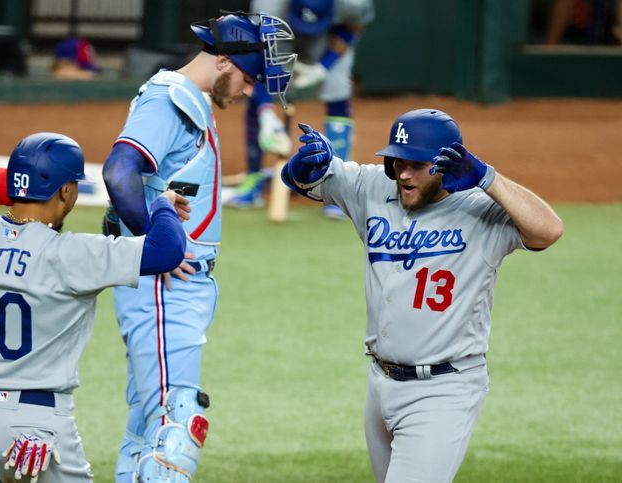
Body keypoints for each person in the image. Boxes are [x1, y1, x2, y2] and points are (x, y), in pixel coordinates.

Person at [0, 132, 189, 483]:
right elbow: (167, 249)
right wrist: (162, 203)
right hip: (38, 428)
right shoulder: (72, 254)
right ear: (66, 192)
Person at [281, 109, 563, 482]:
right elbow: (304, 179)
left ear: (446, 164)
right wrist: (304, 165)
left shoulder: (482, 212)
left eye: (416, 164)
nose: (402, 173)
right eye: (397, 161)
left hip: (443, 390)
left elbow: (549, 230)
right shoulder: (373, 189)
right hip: (379, 384)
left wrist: (487, 178)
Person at [101, 11, 296, 483]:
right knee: (176, 425)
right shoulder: (171, 101)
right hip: (163, 289)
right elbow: (118, 172)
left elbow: (137, 183)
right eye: (250, 79)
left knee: (149, 428)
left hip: (173, 290)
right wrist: (154, 241)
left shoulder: (189, 99)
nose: (251, 91)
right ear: (224, 61)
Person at [226, 0, 374, 221]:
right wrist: (267, 112)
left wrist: (324, 66)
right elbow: (257, 57)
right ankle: (253, 178)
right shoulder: (268, 5)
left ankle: (340, 188)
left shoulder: (353, 4)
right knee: (256, 92)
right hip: (279, 30)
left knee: (337, 89)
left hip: (329, 35)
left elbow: (355, 27)